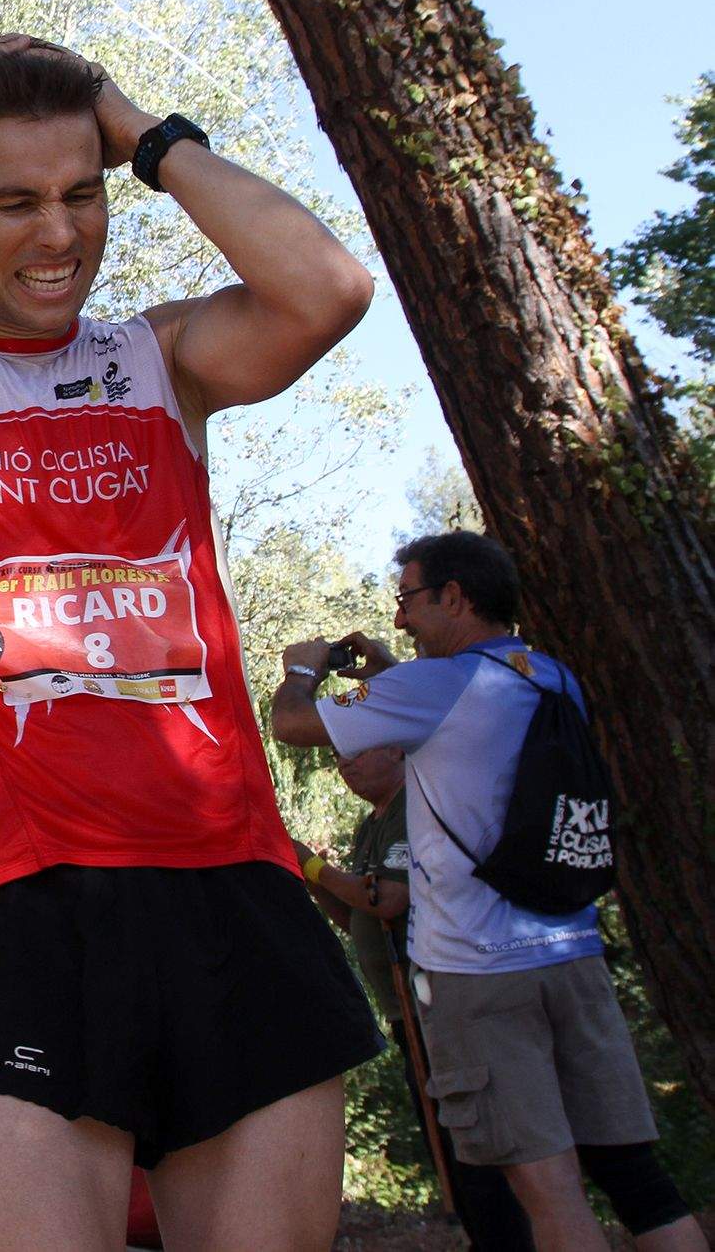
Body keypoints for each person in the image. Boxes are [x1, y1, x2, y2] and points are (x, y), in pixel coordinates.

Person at [0, 37, 383, 1248]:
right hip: (11, 903)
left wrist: (140, 130)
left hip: (230, 882)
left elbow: (328, 289)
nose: (59, 234)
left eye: (79, 195)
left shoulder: (160, 358)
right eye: (15, 202)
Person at [275, 531, 706, 1252]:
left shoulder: (434, 688)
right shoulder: (550, 675)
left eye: (408, 599)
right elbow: (463, 725)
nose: (402, 619)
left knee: (550, 1193)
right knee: (636, 1177)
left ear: (455, 595)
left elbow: (292, 725)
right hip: (571, 951)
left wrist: (303, 669)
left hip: (478, 973)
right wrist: (390, 668)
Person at [292, 744, 533, 1249]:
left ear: (397, 750)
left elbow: (390, 900)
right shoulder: (369, 825)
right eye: (337, 754)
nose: (344, 763)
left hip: (441, 1006)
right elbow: (361, 916)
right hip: (407, 1016)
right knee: (445, 1141)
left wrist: (315, 868)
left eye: (356, 751)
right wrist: (317, 886)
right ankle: (485, 1236)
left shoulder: (413, 808)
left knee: (472, 1144)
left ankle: (509, 1238)